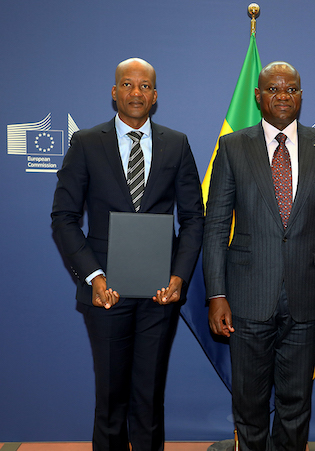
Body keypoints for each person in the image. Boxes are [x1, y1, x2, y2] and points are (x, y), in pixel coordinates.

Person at [51, 57, 204, 451]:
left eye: (145, 86)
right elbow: (64, 218)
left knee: (149, 399)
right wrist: (94, 276)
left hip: (160, 294)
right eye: (128, 84)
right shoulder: (86, 142)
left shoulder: (177, 143)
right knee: (110, 399)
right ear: (114, 91)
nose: (137, 92)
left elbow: (193, 219)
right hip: (105, 293)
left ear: (155, 95)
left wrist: (178, 277)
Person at [203, 61, 315, 451]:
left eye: (291, 89)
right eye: (273, 89)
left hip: (308, 298)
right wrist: (216, 294)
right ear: (258, 96)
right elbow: (216, 225)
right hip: (247, 298)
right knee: (249, 403)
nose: (282, 96)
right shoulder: (233, 147)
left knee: (296, 403)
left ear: (301, 95)